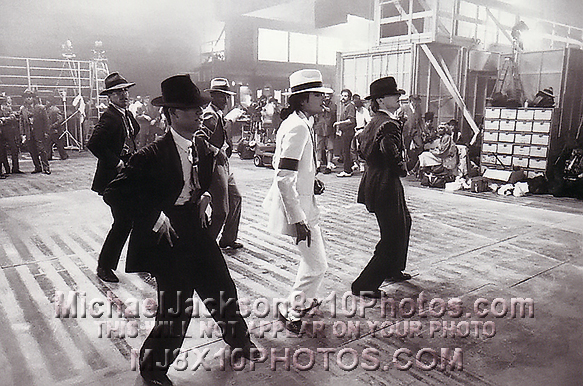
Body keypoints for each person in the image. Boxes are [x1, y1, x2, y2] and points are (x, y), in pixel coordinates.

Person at [103, 74, 258, 386]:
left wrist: (205, 195)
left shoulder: (200, 145)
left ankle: (238, 340)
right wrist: (154, 215)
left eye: (199, 108)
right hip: (168, 235)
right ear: (173, 113)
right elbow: (114, 193)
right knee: (177, 308)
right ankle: (152, 368)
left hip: (196, 228)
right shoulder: (151, 154)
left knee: (222, 287)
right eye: (192, 109)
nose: (200, 113)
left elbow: (199, 179)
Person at [263, 69, 331, 333]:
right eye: (317, 95)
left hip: (304, 202)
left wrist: (309, 179)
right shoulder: (298, 127)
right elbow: (282, 176)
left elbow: (281, 163)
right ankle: (291, 309)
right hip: (298, 209)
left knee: (313, 260)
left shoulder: (299, 122)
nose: (323, 100)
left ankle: (306, 300)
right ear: (303, 99)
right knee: (318, 264)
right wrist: (297, 219)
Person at [352, 76, 412, 298]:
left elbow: (361, 149)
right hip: (386, 183)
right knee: (392, 236)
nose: (398, 97)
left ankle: (393, 268)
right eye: (393, 95)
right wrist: (402, 169)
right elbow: (390, 152)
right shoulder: (388, 124)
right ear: (380, 100)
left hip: (374, 181)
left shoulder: (374, 121)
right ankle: (364, 284)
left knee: (404, 221)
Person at [87, 72, 139, 283]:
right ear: (110, 96)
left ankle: (138, 261)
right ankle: (104, 266)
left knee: (136, 218)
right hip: (113, 179)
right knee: (123, 222)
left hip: (129, 175)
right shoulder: (110, 116)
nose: (124, 94)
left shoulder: (125, 114)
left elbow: (131, 135)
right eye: (118, 92)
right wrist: (116, 162)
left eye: (125, 90)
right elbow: (94, 144)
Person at [202, 77, 244, 249]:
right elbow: (199, 138)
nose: (226, 101)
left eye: (226, 97)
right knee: (221, 211)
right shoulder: (210, 114)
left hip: (223, 164)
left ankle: (228, 238)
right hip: (214, 166)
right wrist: (216, 151)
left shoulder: (218, 114)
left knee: (235, 198)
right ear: (213, 96)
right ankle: (205, 244)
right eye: (222, 97)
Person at [19, 89, 51, 174]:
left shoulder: (41, 108)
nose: (29, 99)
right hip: (29, 133)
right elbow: (21, 122)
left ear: (33, 98)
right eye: (27, 97)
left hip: (39, 132)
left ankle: (46, 167)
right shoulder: (23, 110)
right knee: (32, 150)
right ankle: (37, 167)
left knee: (42, 150)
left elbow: (46, 121)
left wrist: (46, 132)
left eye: (30, 97)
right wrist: (22, 134)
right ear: (24, 99)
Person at [334, 88, 357, 177]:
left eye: (346, 96)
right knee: (345, 150)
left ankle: (347, 170)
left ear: (350, 97)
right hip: (345, 131)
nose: (343, 98)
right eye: (342, 96)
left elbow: (351, 120)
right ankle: (349, 167)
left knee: (346, 151)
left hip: (348, 131)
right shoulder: (346, 106)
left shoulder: (350, 106)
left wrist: (339, 123)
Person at [314, 94, 336, 174]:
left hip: (329, 129)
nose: (326, 98)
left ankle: (329, 165)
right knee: (319, 148)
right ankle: (318, 165)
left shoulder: (333, 105)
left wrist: (324, 108)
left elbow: (331, 111)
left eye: (328, 96)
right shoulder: (318, 104)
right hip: (320, 129)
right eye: (325, 96)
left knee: (330, 148)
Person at [0, 95, 22, 174]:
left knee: (14, 149)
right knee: (2, 151)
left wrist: (4, 119)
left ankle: (14, 168)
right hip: (2, 132)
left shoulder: (8, 108)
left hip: (8, 132)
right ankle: (7, 169)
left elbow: (13, 117)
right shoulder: (7, 109)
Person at [351, 94, 371, 173]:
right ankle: (355, 163)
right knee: (352, 148)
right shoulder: (353, 110)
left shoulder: (364, 110)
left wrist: (363, 131)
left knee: (360, 148)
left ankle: (362, 164)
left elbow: (368, 121)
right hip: (354, 130)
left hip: (361, 130)